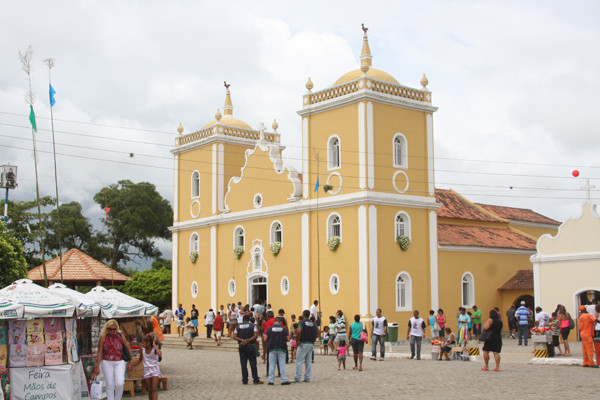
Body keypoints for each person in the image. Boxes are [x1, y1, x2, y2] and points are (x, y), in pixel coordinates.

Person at [94, 319, 131, 400]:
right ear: (107, 329)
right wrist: (97, 366)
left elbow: (128, 347)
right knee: (109, 384)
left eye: (114, 329)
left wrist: (130, 362)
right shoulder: (103, 337)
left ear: (116, 328)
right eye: (110, 329)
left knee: (119, 383)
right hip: (107, 362)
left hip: (119, 361)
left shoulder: (120, 336)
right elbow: (100, 352)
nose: (112, 331)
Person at [127, 335, 162, 400]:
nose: (142, 344)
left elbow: (159, 353)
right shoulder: (143, 351)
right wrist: (132, 365)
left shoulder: (154, 350)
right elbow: (139, 360)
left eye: (143, 343)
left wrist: (154, 345)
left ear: (148, 343)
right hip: (147, 370)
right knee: (150, 389)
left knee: (154, 388)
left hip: (154, 369)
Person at [233, 314, 263, 384]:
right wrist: (248, 340)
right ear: (249, 320)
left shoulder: (238, 327)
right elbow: (256, 335)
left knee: (243, 363)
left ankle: (244, 380)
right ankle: (255, 379)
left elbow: (234, 336)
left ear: (243, 320)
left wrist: (242, 340)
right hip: (251, 345)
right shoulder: (252, 326)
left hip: (241, 345)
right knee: (253, 363)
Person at [294, 309, 318, 383]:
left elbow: (299, 331)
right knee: (308, 361)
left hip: (303, 343)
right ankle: (307, 378)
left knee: (299, 361)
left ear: (303, 315)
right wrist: (315, 338)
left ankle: (297, 378)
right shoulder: (313, 323)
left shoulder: (302, 322)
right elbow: (319, 331)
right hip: (311, 343)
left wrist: (298, 339)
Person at [265, 316, 290, 385]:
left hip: (272, 348)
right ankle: (284, 380)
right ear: (280, 322)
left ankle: (271, 380)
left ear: (274, 322)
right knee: (282, 364)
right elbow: (288, 339)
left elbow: (265, 339)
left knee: (271, 365)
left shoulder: (269, 329)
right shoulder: (284, 329)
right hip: (282, 348)